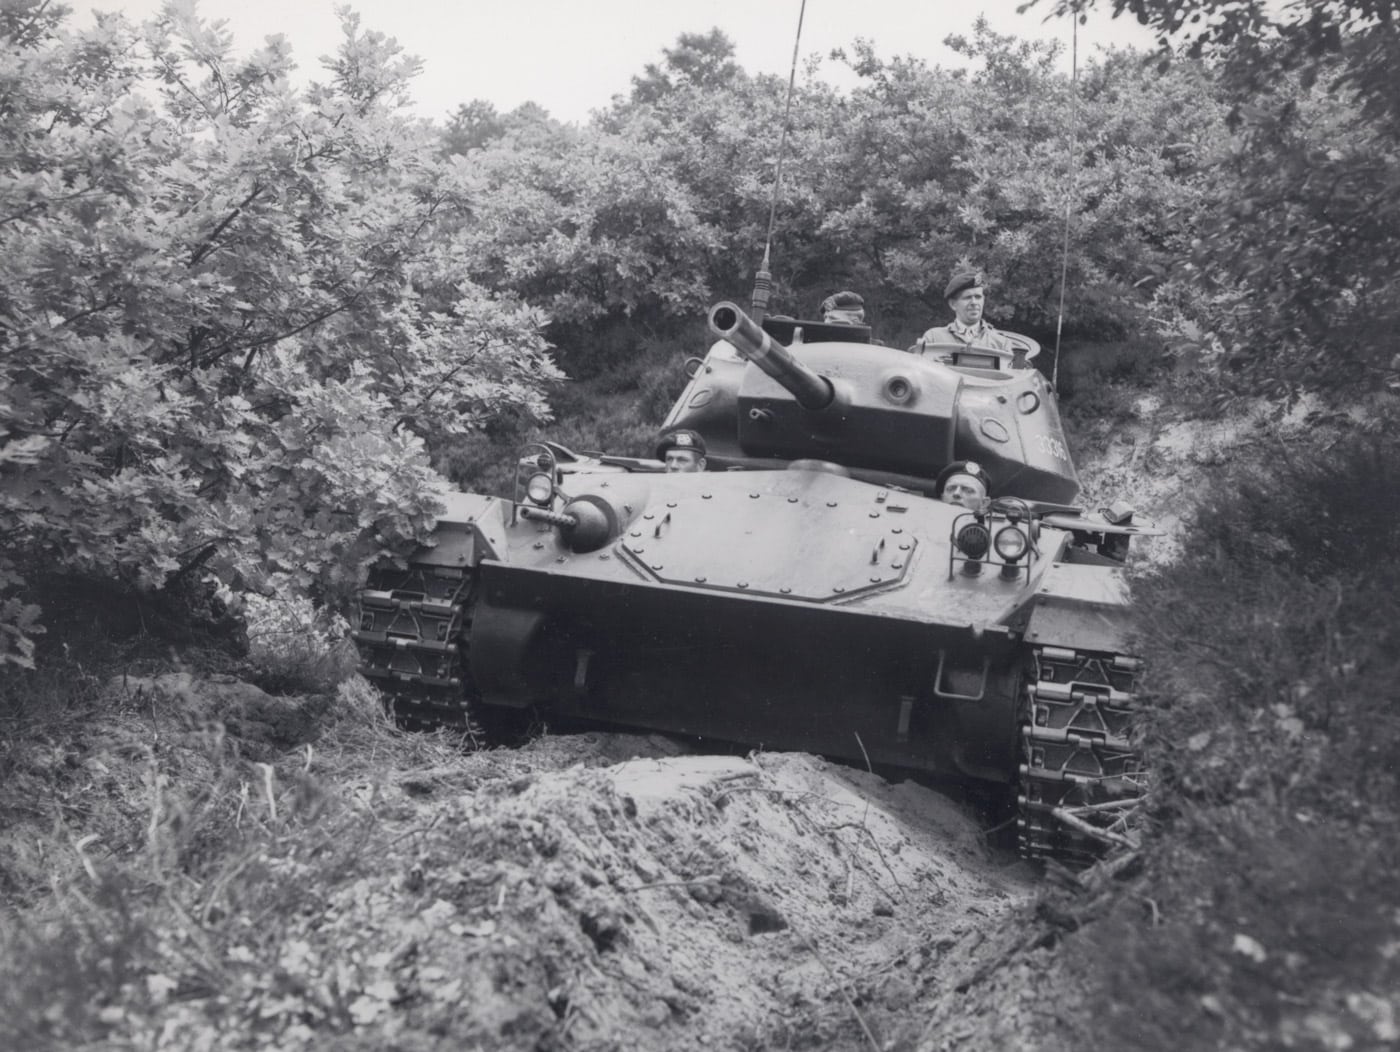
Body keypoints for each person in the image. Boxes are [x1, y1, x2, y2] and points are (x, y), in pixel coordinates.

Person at [911, 271, 1013, 361]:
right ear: (953, 304)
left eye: (978, 297)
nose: (974, 302)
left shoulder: (1000, 343)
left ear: (983, 300)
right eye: (967, 297)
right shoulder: (934, 338)